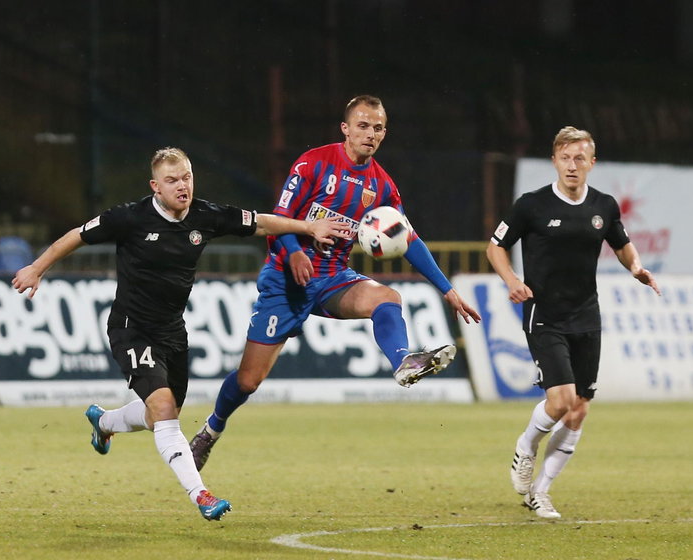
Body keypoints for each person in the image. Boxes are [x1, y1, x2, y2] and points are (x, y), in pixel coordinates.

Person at [11, 147, 346, 521]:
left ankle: (103, 422)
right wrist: (37, 268)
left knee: (158, 417)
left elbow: (263, 223)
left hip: (173, 332)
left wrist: (308, 227)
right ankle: (201, 494)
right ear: (155, 186)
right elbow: (77, 235)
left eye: (186, 177)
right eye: (172, 181)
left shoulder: (205, 215)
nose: (182, 186)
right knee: (165, 410)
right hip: (132, 329)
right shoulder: (129, 217)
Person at [189, 94, 481, 472]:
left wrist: (448, 290)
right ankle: (210, 431)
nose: (370, 134)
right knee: (248, 381)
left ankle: (403, 361)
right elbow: (280, 215)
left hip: (333, 280)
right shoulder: (314, 163)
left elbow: (408, 238)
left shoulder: (382, 187)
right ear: (345, 128)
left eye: (378, 128)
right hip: (284, 280)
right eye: (362, 125)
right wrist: (294, 251)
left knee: (387, 297)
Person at [486, 126, 660, 519]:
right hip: (543, 314)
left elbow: (620, 242)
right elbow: (495, 247)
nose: (572, 165)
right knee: (560, 401)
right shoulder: (531, 206)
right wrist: (513, 282)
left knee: (579, 410)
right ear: (554, 161)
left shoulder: (604, 205)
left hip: (586, 315)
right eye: (565, 158)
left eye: (580, 158)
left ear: (591, 163)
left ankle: (541, 493)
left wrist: (635, 266)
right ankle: (526, 448)